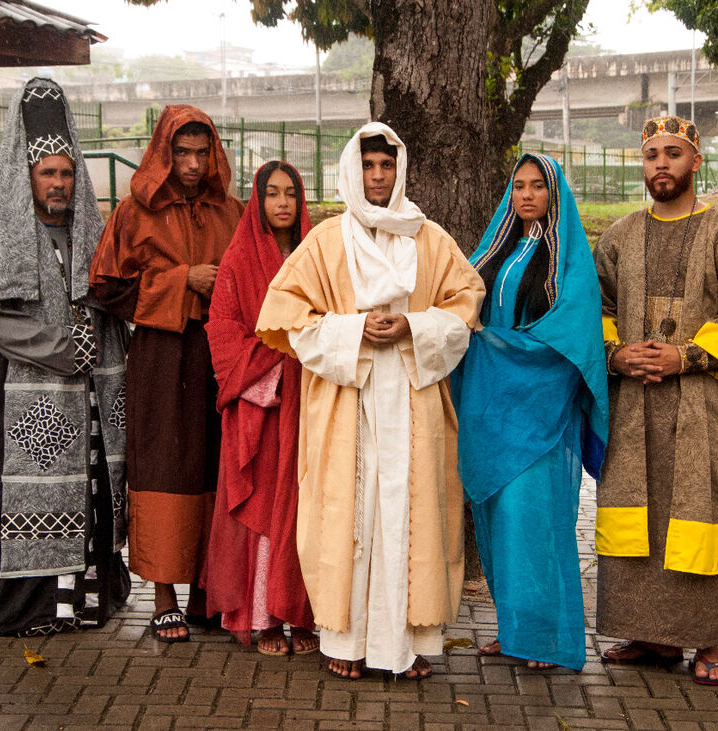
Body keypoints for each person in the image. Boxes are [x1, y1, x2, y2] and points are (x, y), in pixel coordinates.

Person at [254, 123, 485, 679]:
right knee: (349, 516)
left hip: (411, 396)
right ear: (351, 172)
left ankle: (404, 648)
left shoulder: (429, 237)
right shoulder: (327, 241)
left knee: (411, 517)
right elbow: (283, 313)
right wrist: (353, 330)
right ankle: (348, 645)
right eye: (367, 166)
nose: (377, 176)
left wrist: (412, 324)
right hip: (346, 400)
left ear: (399, 169)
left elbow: (466, 302)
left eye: (385, 165)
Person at [0, 78, 130, 637]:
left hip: (90, 400)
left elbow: (111, 297)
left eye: (66, 172)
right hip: (29, 402)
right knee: (32, 496)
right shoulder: (9, 237)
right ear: (27, 176)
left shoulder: (88, 233)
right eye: (48, 172)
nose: (58, 182)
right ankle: (30, 606)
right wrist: (61, 348)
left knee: (90, 491)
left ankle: (84, 601)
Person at [593, 116, 718, 686]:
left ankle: (705, 643)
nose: (660, 164)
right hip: (635, 402)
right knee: (638, 513)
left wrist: (684, 357)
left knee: (701, 513)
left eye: (672, 153)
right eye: (651, 155)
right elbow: (596, 314)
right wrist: (617, 355)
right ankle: (645, 635)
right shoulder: (617, 237)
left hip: (702, 403)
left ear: (695, 161)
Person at [90, 105, 244, 642]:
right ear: (164, 152)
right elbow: (107, 288)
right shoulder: (134, 212)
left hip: (220, 355)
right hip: (160, 357)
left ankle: (209, 592)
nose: (194, 164)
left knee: (216, 463)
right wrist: (183, 281)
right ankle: (164, 596)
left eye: (203, 153)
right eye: (183, 152)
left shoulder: (232, 212)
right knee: (163, 466)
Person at [452, 154, 609, 671]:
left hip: (538, 406)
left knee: (533, 518)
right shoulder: (498, 250)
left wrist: (497, 345)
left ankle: (545, 638)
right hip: (492, 406)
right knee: (497, 516)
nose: (525, 195)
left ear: (554, 193)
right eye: (517, 186)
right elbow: (461, 304)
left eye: (537, 186)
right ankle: (513, 629)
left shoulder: (568, 257)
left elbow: (573, 328)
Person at [200, 161, 317, 655]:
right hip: (260, 406)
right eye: (272, 194)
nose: (283, 203)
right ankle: (263, 617)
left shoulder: (317, 255)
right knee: (265, 509)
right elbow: (222, 330)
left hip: (309, 400)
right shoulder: (239, 258)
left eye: (291, 193)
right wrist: (273, 361)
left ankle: (304, 615)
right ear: (258, 200)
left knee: (306, 509)